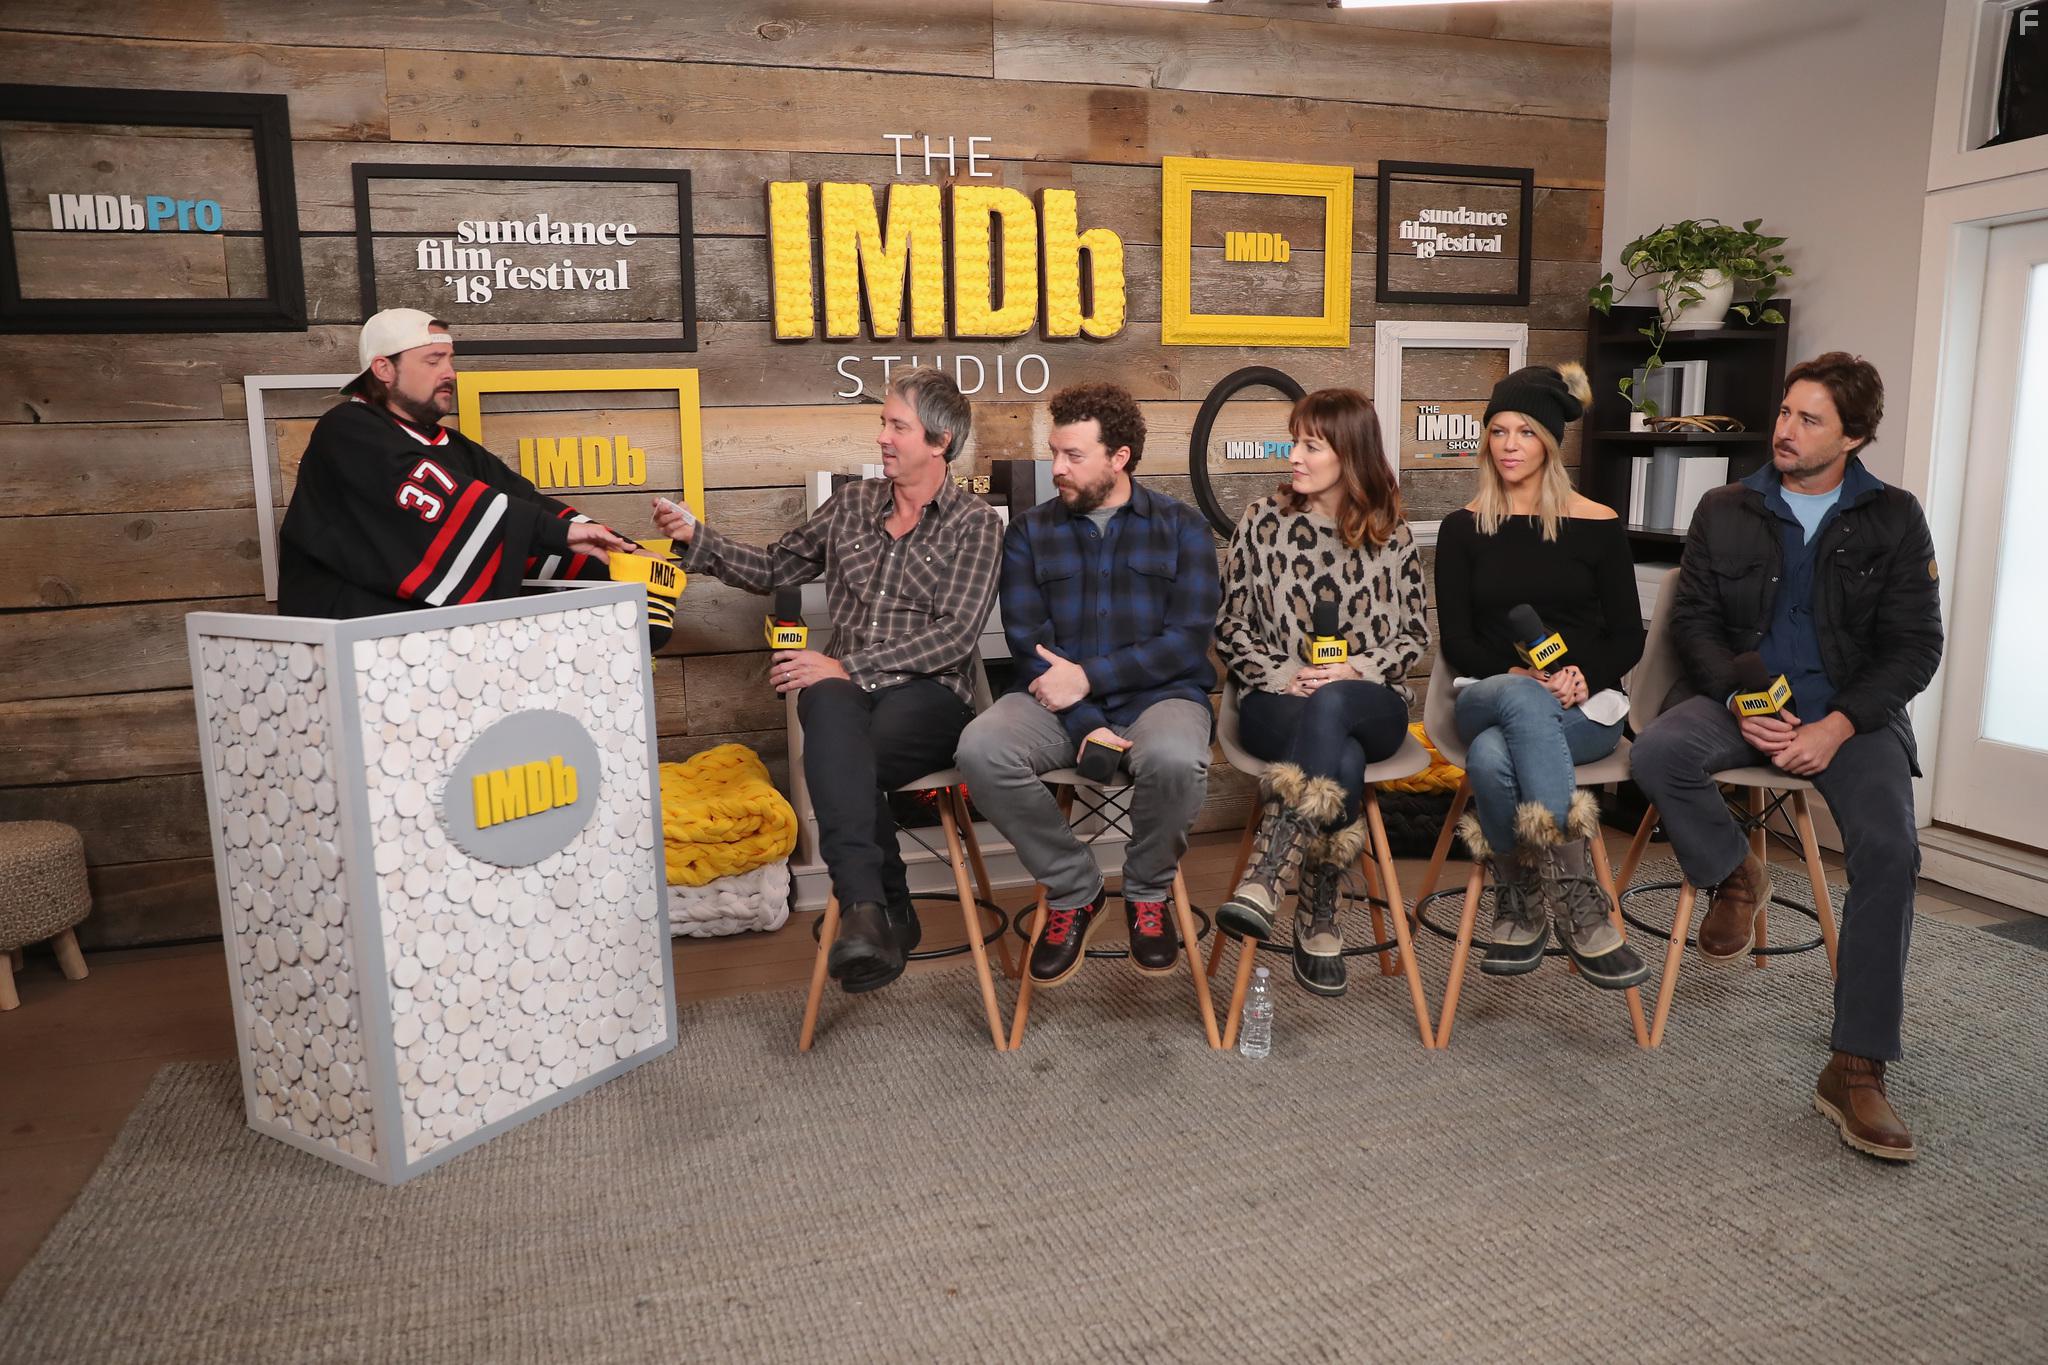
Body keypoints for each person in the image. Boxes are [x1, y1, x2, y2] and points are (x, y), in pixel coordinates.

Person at [1631, 353, 1942, 1162]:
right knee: (1658, 753)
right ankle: (1736, 873)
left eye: (1809, 420)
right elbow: (1694, 623)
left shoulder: (1895, 518)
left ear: (1856, 436)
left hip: (1850, 716)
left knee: (1890, 849)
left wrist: (1835, 726)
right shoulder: (1726, 507)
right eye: (1784, 413)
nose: (1784, 431)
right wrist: (1742, 700)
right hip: (1746, 698)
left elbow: (1915, 647)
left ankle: (1856, 1065)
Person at [653, 369, 1001, 996]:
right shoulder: (852, 505)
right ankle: (871, 909)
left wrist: (844, 666)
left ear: (939, 441)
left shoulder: (974, 523)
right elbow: (774, 565)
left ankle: (880, 906)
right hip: (846, 700)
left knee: (835, 736)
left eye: (897, 425)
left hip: (929, 696)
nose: (883, 437)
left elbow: (954, 637)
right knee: (827, 707)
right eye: (883, 423)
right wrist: (695, 538)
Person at [955, 382, 1219, 988]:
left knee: (1179, 760)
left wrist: (1092, 679)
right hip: (1055, 705)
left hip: (1161, 698)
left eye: (1073, 456)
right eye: (1055, 453)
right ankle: (1076, 889)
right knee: (981, 747)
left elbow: (1186, 642)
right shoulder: (1028, 532)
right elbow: (1029, 646)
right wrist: (1086, 722)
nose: (1058, 470)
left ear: (1119, 457)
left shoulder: (1182, 528)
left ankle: (1147, 893)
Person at [1433, 363, 1650, 990]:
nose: (1507, 445)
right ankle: (1580, 902)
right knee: (1519, 703)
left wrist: (1584, 677)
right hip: (1488, 691)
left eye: (1524, 432)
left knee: (1493, 758)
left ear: (1550, 442)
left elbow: (1627, 636)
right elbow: (1460, 642)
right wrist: (1515, 672)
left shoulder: (1599, 525)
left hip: (1586, 710)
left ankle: (1521, 895)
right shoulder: (1462, 527)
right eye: (1497, 431)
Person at [1214, 388, 1429, 997]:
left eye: (1311, 445)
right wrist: (1284, 675)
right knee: (1342, 756)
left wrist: (1356, 667)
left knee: (1334, 706)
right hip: (1275, 701)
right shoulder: (1262, 522)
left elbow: (1414, 634)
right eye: (1294, 441)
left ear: (1350, 453)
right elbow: (1229, 625)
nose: (1295, 456)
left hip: (1368, 702)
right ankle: (1319, 909)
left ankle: (1268, 869)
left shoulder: (1393, 536)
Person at [279, 308, 636, 617]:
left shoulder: (455, 447)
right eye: (433, 361)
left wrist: (624, 554)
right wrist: (558, 534)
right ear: (384, 369)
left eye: (450, 360)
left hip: (431, 650)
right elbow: (450, 504)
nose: (449, 372)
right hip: (352, 643)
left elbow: (526, 504)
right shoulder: (347, 430)